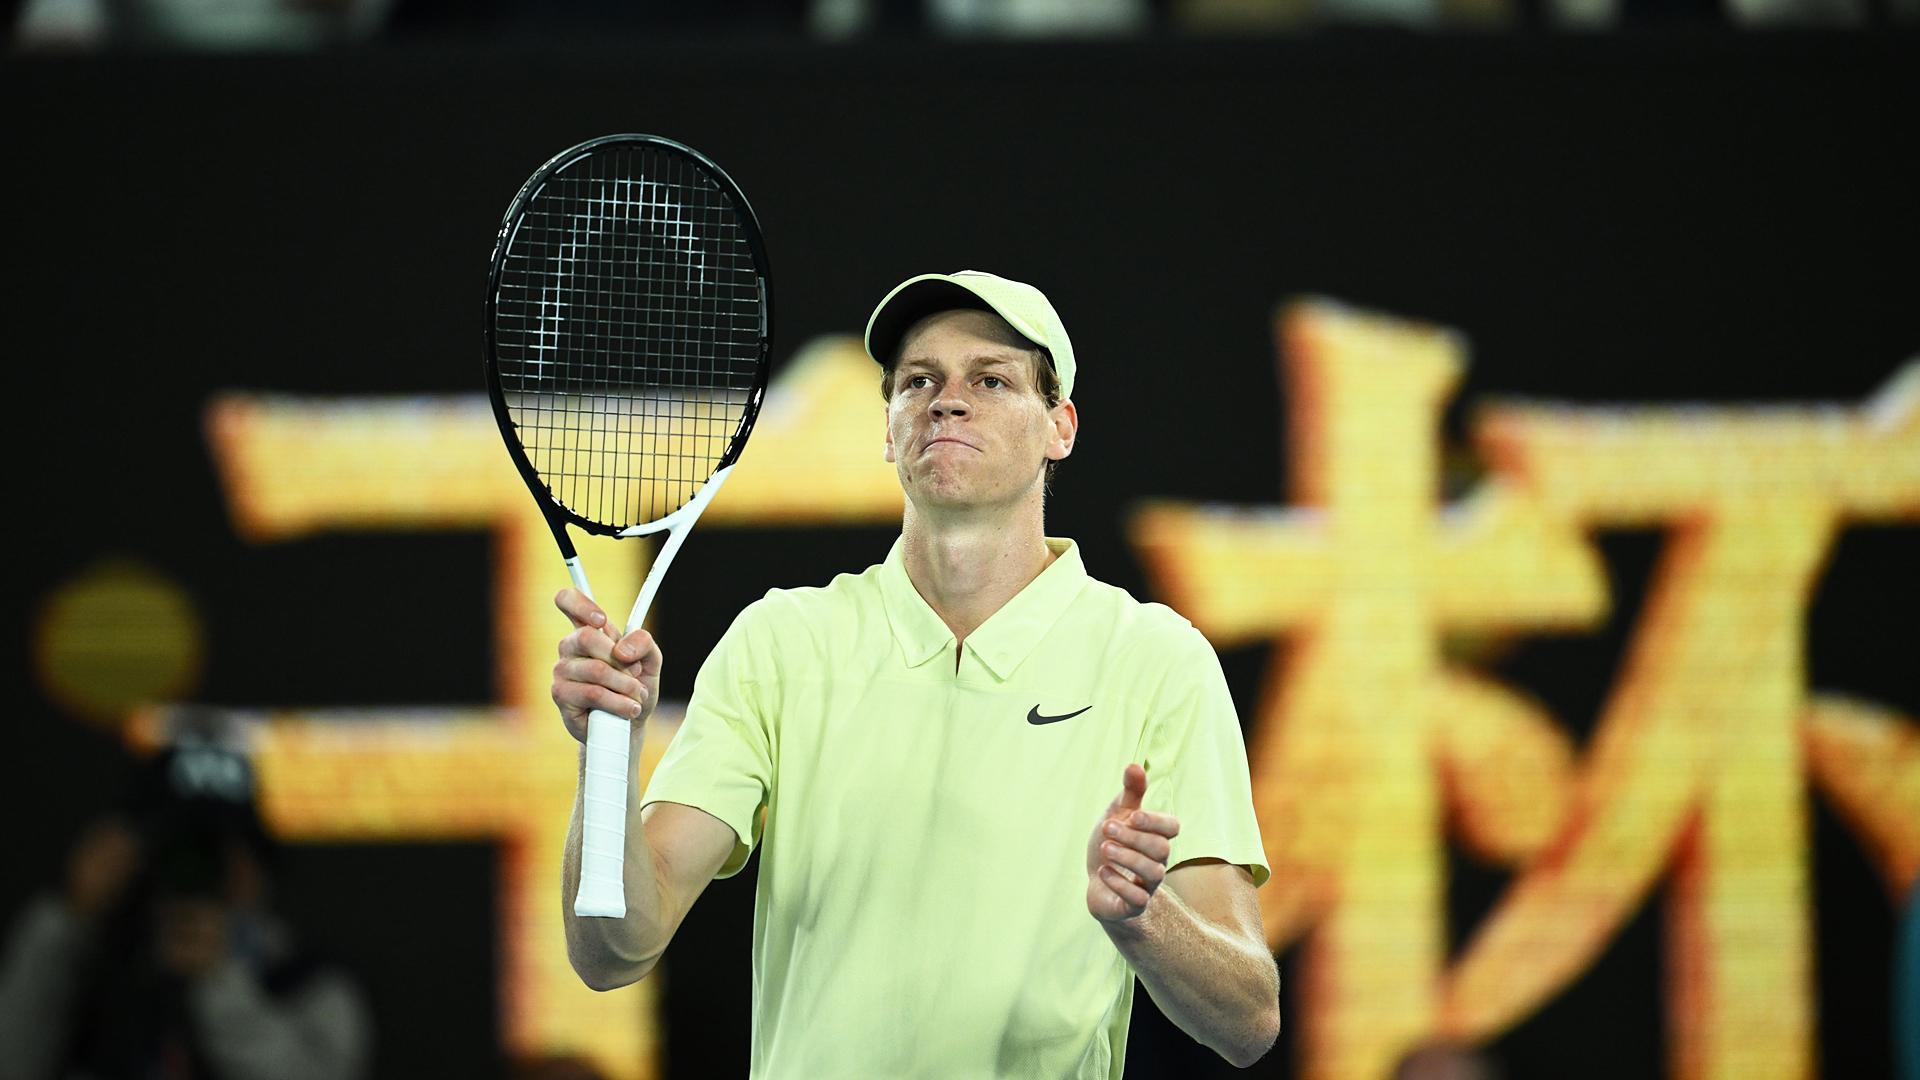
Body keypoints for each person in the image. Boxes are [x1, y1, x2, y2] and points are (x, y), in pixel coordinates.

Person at [551, 270, 1279, 1077]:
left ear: (1059, 427)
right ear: (889, 430)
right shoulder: (780, 642)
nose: (946, 400)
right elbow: (613, 951)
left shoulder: (1158, 659)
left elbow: (1249, 1020)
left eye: (991, 379)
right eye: (917, 382)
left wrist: (1144, 920)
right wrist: (608, 744)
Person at [0, 739, 371, 1080]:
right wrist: (70, 918)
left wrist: (221, 983)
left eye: (216, 851)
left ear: (260, 866)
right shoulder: (85, 968)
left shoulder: (309, 984)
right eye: (174, 847)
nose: (193, 867)